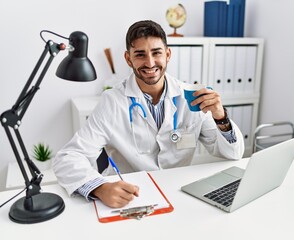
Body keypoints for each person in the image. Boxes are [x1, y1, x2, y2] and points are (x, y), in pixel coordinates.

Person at [53, 20, 244, 208]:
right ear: (128, 59)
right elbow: (68, 157)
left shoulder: (191, 97)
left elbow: (233, 154)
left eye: (156, 53)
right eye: (140, 54)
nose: (150, 63)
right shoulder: (112, 101)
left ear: (167, 54)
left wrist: (221, 117)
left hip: (178, 194)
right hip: (130, 197)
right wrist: (101, 188)